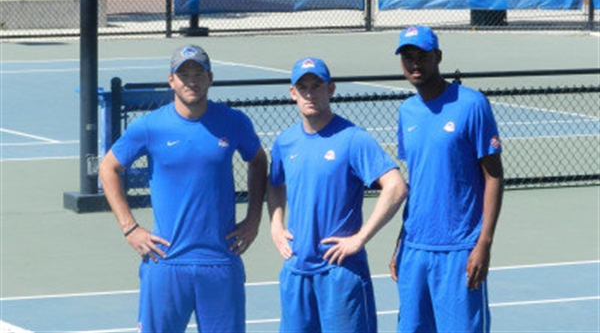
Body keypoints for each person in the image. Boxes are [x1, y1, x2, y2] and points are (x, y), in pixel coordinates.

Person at [98, 44, 268, 333]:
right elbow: (108, 168)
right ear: (171, 80)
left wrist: (254, 219)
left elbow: (258, 161)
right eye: (184, 73)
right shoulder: (150, 126)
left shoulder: (234, 122)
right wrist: (130, 228)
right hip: (165, 261)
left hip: (221, 261)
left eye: (198, 73)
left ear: (210, 78)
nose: (192, 80)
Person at [268, 57, 408, 332]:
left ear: (330, 89)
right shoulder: (284, 142)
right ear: (292, 93)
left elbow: (396, 186)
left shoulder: (353, 139)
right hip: (296, 272)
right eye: (303, 87)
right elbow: (275, 184)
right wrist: (276, 225)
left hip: (340, 272)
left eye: (316, 86)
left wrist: (360, 238)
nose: (310, 93)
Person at [389, 25, 504, 332]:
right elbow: (419, 180)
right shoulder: (406, 112)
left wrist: (484, 244)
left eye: (422, 56)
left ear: (438, 57)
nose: (415, 63)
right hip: (414, 250)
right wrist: (401, 240)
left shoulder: (472, 104)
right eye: (408, 57)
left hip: (460, 251)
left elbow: (494, 177)